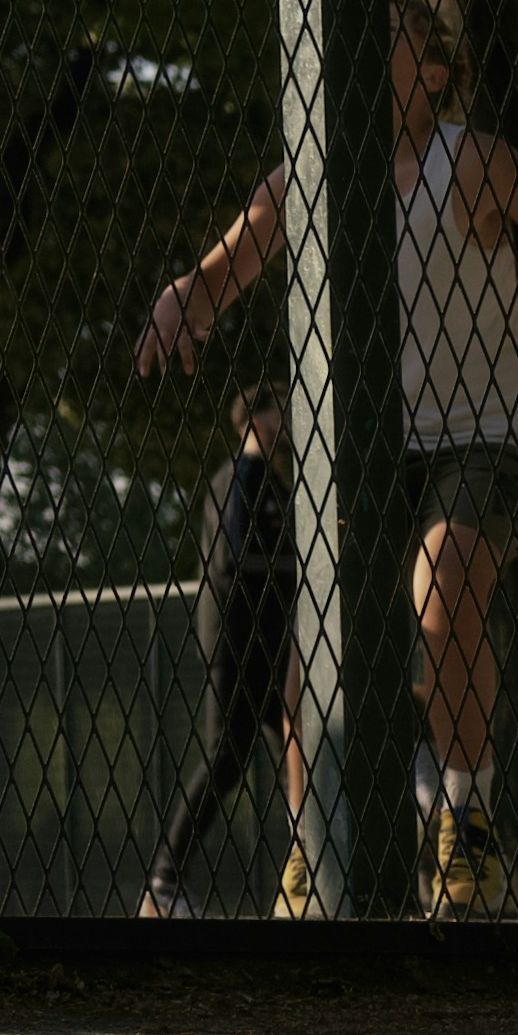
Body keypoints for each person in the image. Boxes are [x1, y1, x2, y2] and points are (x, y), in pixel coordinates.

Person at [139, 0, 518, 917]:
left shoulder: (476, 164)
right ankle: (311, 852)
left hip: (494, 430)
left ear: (436, 70)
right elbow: (229, 265)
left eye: (386, 36)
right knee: (308, 655)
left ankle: (467, 828)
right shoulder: (310, 174)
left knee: (444, 583)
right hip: (367, 445)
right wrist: (183, 302)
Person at [137, 390, 297, 920]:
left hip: (269, 641)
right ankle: (163, 881)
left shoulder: (272, 478)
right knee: (228, 756)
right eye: (281, 412)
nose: (290, 421)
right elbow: (234, 558)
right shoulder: (240, 478)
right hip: (237, 638)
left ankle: (312, 866)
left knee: (304, 751)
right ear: (255, 419)